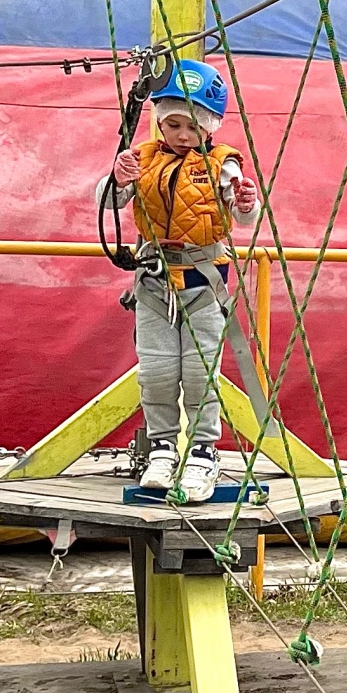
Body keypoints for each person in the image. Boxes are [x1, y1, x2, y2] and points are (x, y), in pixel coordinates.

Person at [101, 59, 258, 501]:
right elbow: (108, 201)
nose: (182, 135)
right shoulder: (141, 159)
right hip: (153, 280)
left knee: (200, 370)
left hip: (203, 280)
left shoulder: (223, 165)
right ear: (160, 122)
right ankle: (163, 448)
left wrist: (246, 202)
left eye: (191, 126)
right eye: (172, 124)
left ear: (208, 126)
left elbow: (243, 217)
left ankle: (204, 452)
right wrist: (116, 180)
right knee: (156, 371)